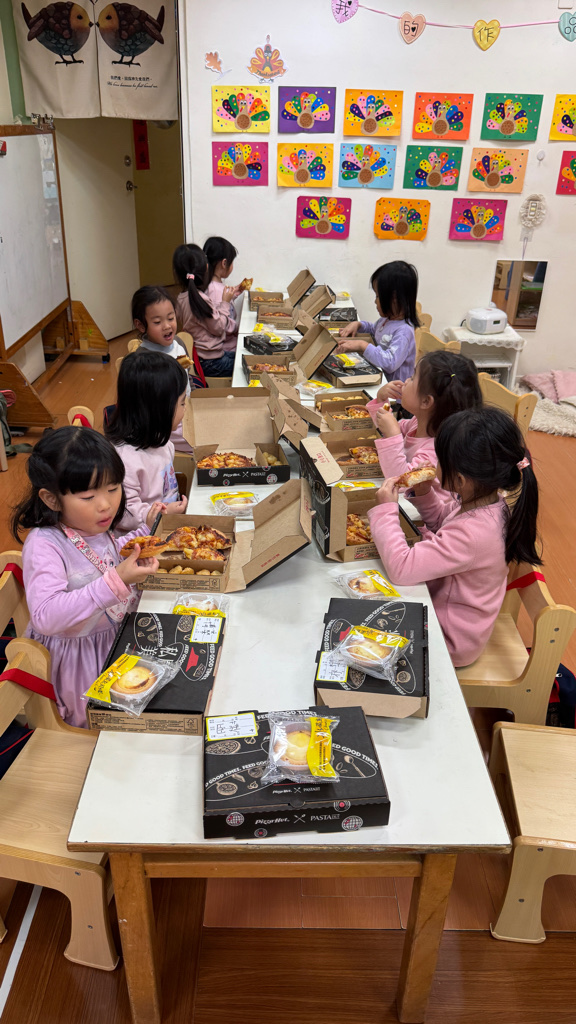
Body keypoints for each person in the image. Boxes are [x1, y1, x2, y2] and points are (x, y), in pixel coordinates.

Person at [368, 407, 541, 668]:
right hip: (452, 617)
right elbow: (444, 522)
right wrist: (425, 494)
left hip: (449, 638)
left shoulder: (474, 533)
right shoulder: (487, 502)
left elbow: (401, 568)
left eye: (440, 461)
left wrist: (386, 511)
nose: (434, 466)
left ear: (460, 479)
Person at [13, 426, 162, 728]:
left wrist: (144, 534)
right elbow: (45, 616)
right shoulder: (44, 544)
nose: (106, 504)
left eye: (113, 488)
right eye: (88, 496)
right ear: (52, 499)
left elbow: (103, 556)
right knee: (104, 727)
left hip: (116, 638)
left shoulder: (92, 526)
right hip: (79, 661)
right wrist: (116, 580)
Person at [367, 350, 482, 497]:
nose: (406, 381)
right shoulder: (419, 422)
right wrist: (381, 401)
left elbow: (401, 482)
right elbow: (387, 427)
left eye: (412, 378)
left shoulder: (435, 450)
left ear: (426, 401)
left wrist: (392, 435)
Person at [105, 350, 188, 532]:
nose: (185, 409)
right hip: (140, 538)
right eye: (182, 403)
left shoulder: (161, 441)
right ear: (159, 409)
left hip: (166, 525)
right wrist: (162, 514)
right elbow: (125, 513)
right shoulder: (125, 459)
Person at [131, 284, 203, 453]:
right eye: (157, 322)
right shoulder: (144, 360)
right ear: (141, 325)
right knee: (204, 441)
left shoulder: (178, 344)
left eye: (171, 318)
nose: (167, 326)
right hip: (163, 426)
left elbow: (188, 378)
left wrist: (194, 404)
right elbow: (148, 407)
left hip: (185, 411)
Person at [336, 260, 420, 381]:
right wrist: (358, 325)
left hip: (394, 389)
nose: (375, 301)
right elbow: (374, 330)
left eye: (378, 296)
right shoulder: (387, 320)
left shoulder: (404, 332)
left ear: (394, 298)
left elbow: (390, 363)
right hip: (379, 378)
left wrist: (362, 345)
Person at [173, 243, 236, 377]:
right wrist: (225, 303)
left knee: (243, 356)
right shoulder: (201, 299)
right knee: (246, 364)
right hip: (211, 362)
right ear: (206, 267)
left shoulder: (181, 298)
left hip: (201, 358)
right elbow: (219, 328)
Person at [203, 236, 242, 353]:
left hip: (227, 345)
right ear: (224, 263)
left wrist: (234, 294)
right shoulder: (215, 291)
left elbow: (220, 306)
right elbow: (220, 325)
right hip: (226, 349)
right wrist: (238, 327)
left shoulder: (213, 285)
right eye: (232, 262)